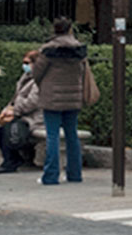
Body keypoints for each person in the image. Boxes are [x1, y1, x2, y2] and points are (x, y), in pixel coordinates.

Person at [33, 18, 93, 185]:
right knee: (71, 135)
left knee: (52, 136)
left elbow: (37, 73)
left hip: (52, 98)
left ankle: (51, 176)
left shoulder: (48, 50)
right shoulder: (79, 49)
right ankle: (75, 174)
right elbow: (82, 72)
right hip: (73, 97)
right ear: (70, 29)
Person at [0, 50, 45, 174]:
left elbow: (32, 102)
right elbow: (15, 98)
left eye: (27, 63)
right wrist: (7, 110)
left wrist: (14, 111)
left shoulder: (40, 81)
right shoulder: (26, 78)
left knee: (7, 127)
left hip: (35, 117)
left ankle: (11, 161)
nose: (24, 65)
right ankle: (12, 158)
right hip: (23, 113)